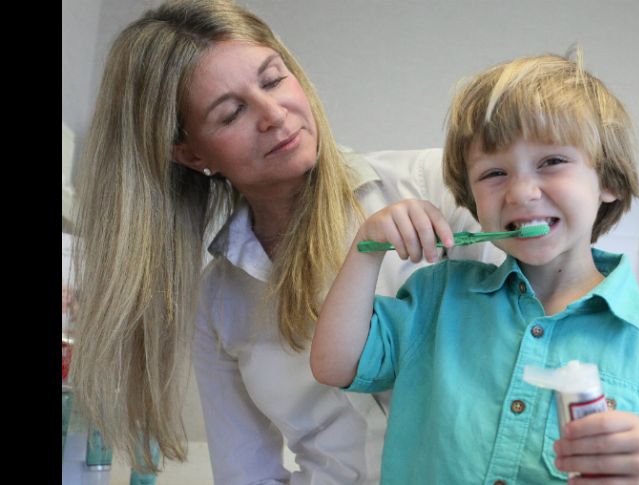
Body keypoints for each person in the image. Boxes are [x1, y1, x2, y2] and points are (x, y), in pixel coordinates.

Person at [68, 0, 503, 482]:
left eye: (274, 80)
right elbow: (245, 474)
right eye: (231, 113)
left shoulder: (438, 186)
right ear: (190, 154)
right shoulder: (218, 304)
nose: (274, 114)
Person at [311, 50, 639, 484]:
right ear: (470, 198)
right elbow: (334, 365)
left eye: (552, 162)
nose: (520, 192)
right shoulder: (436, 296)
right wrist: (367, 249)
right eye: (494, 173)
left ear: (609, 181)